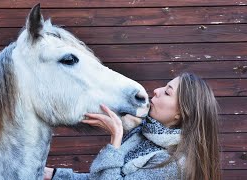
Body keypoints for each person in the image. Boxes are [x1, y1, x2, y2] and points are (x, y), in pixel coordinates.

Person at [44, 72, 221, 180]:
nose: (156, 91)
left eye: (167, 92)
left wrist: (115, 141)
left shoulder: (171, 164)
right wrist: (50, 175)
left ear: (181, 113)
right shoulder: (143, 134)